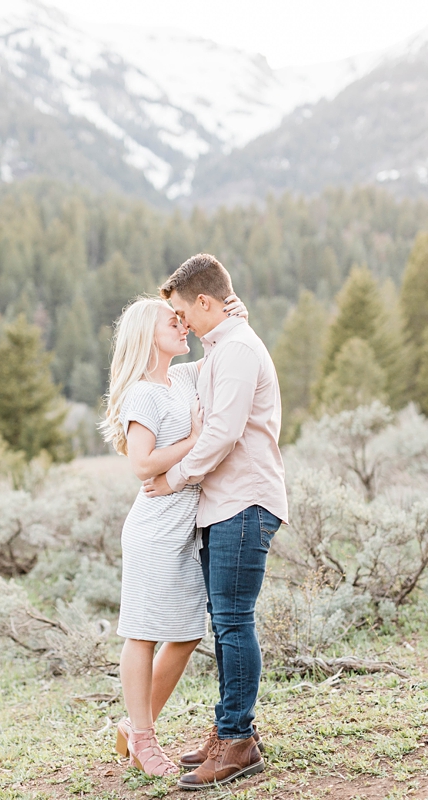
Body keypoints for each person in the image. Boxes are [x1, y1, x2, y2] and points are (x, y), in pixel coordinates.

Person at [143, 253, 287, 790]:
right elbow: (190, 380)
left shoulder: (239, 350)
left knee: (232, 621)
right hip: (227, 504)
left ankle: (238, 740)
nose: (181, 322)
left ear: (205, 301)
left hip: (244, 502)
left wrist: (174, 477)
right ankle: (229, 732)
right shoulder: (225, 346)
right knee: (226, 621)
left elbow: (224, 433)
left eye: (183, 312)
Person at [98, 292, 248, 777]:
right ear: (148, 334)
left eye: (183, 320)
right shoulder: (144, 392)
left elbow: (220, 354)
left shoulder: (181, 377)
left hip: (185, 525)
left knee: (185, 634)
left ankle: (133, 726)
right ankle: (144, 739)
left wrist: (234, 317)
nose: (182, 326)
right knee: (142, 631)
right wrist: (193, 441)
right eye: (173, 322)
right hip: (156, 526)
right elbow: (140, 463)